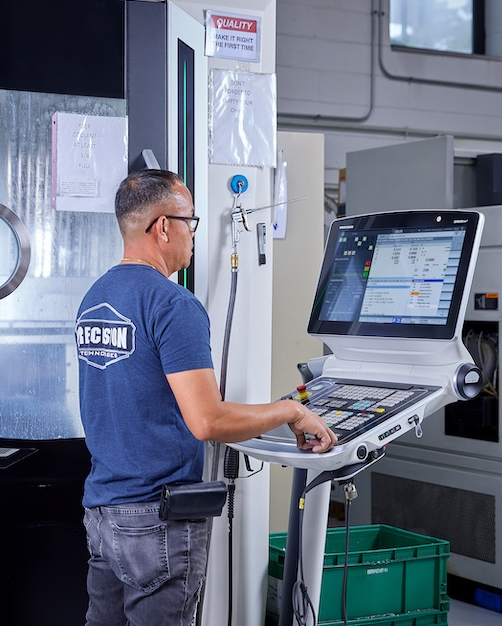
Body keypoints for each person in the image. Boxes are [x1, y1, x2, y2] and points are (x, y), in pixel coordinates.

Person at [74, 168, 338, 626]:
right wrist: (292, 411)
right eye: (190, 221)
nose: (193, 233)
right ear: (163, 227)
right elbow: (207, 421)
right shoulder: (172, 304)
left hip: (103, 513)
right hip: (155, 520)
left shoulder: (96, 297)